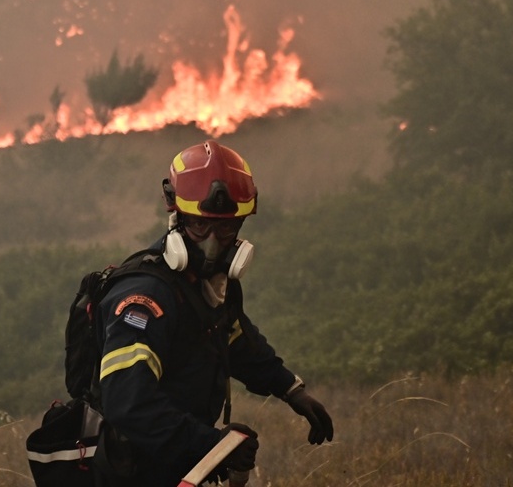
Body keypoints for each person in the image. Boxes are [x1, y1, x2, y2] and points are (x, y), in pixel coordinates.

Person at [94, 139, 334, 486]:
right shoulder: (146, 298)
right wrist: (211, 445)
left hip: (181, 465)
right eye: (200, 226)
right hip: (133, 471)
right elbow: (129, 403)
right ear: (175, 216)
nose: (212, 243)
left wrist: (290, 388)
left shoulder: (209, 285)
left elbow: (232, 335)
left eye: (226, 228)